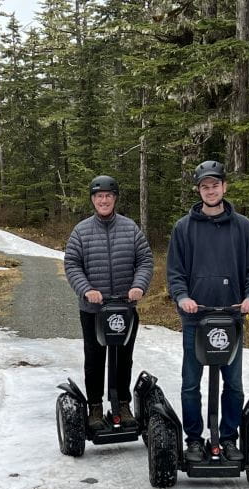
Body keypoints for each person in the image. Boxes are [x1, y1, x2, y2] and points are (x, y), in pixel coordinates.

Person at [166, 160, 249, 463]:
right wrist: (182, 297)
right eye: (205, 186)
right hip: (196, 319)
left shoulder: (244, 227)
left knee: (233, 384)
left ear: (224, 187)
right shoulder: (184, 228)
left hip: (231, 319)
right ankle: (194, 439)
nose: (210, 191)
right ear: (199, 190)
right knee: (191, 383)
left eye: (215, 185)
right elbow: (175, 273)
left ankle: (228, 438)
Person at [64, 175, 154, 429]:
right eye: (99, 196)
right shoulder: (81, 230)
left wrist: (138, 286)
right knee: (94, 358)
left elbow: (145, 261)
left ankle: (122, 404)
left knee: (124, 357)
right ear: (93, 200)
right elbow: (72, 264)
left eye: (108, 196)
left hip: (124, 308)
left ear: (115, 199)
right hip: (93, 309)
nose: (104, 200)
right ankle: (94, 407)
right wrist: (87, 289)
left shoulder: (130, 228)